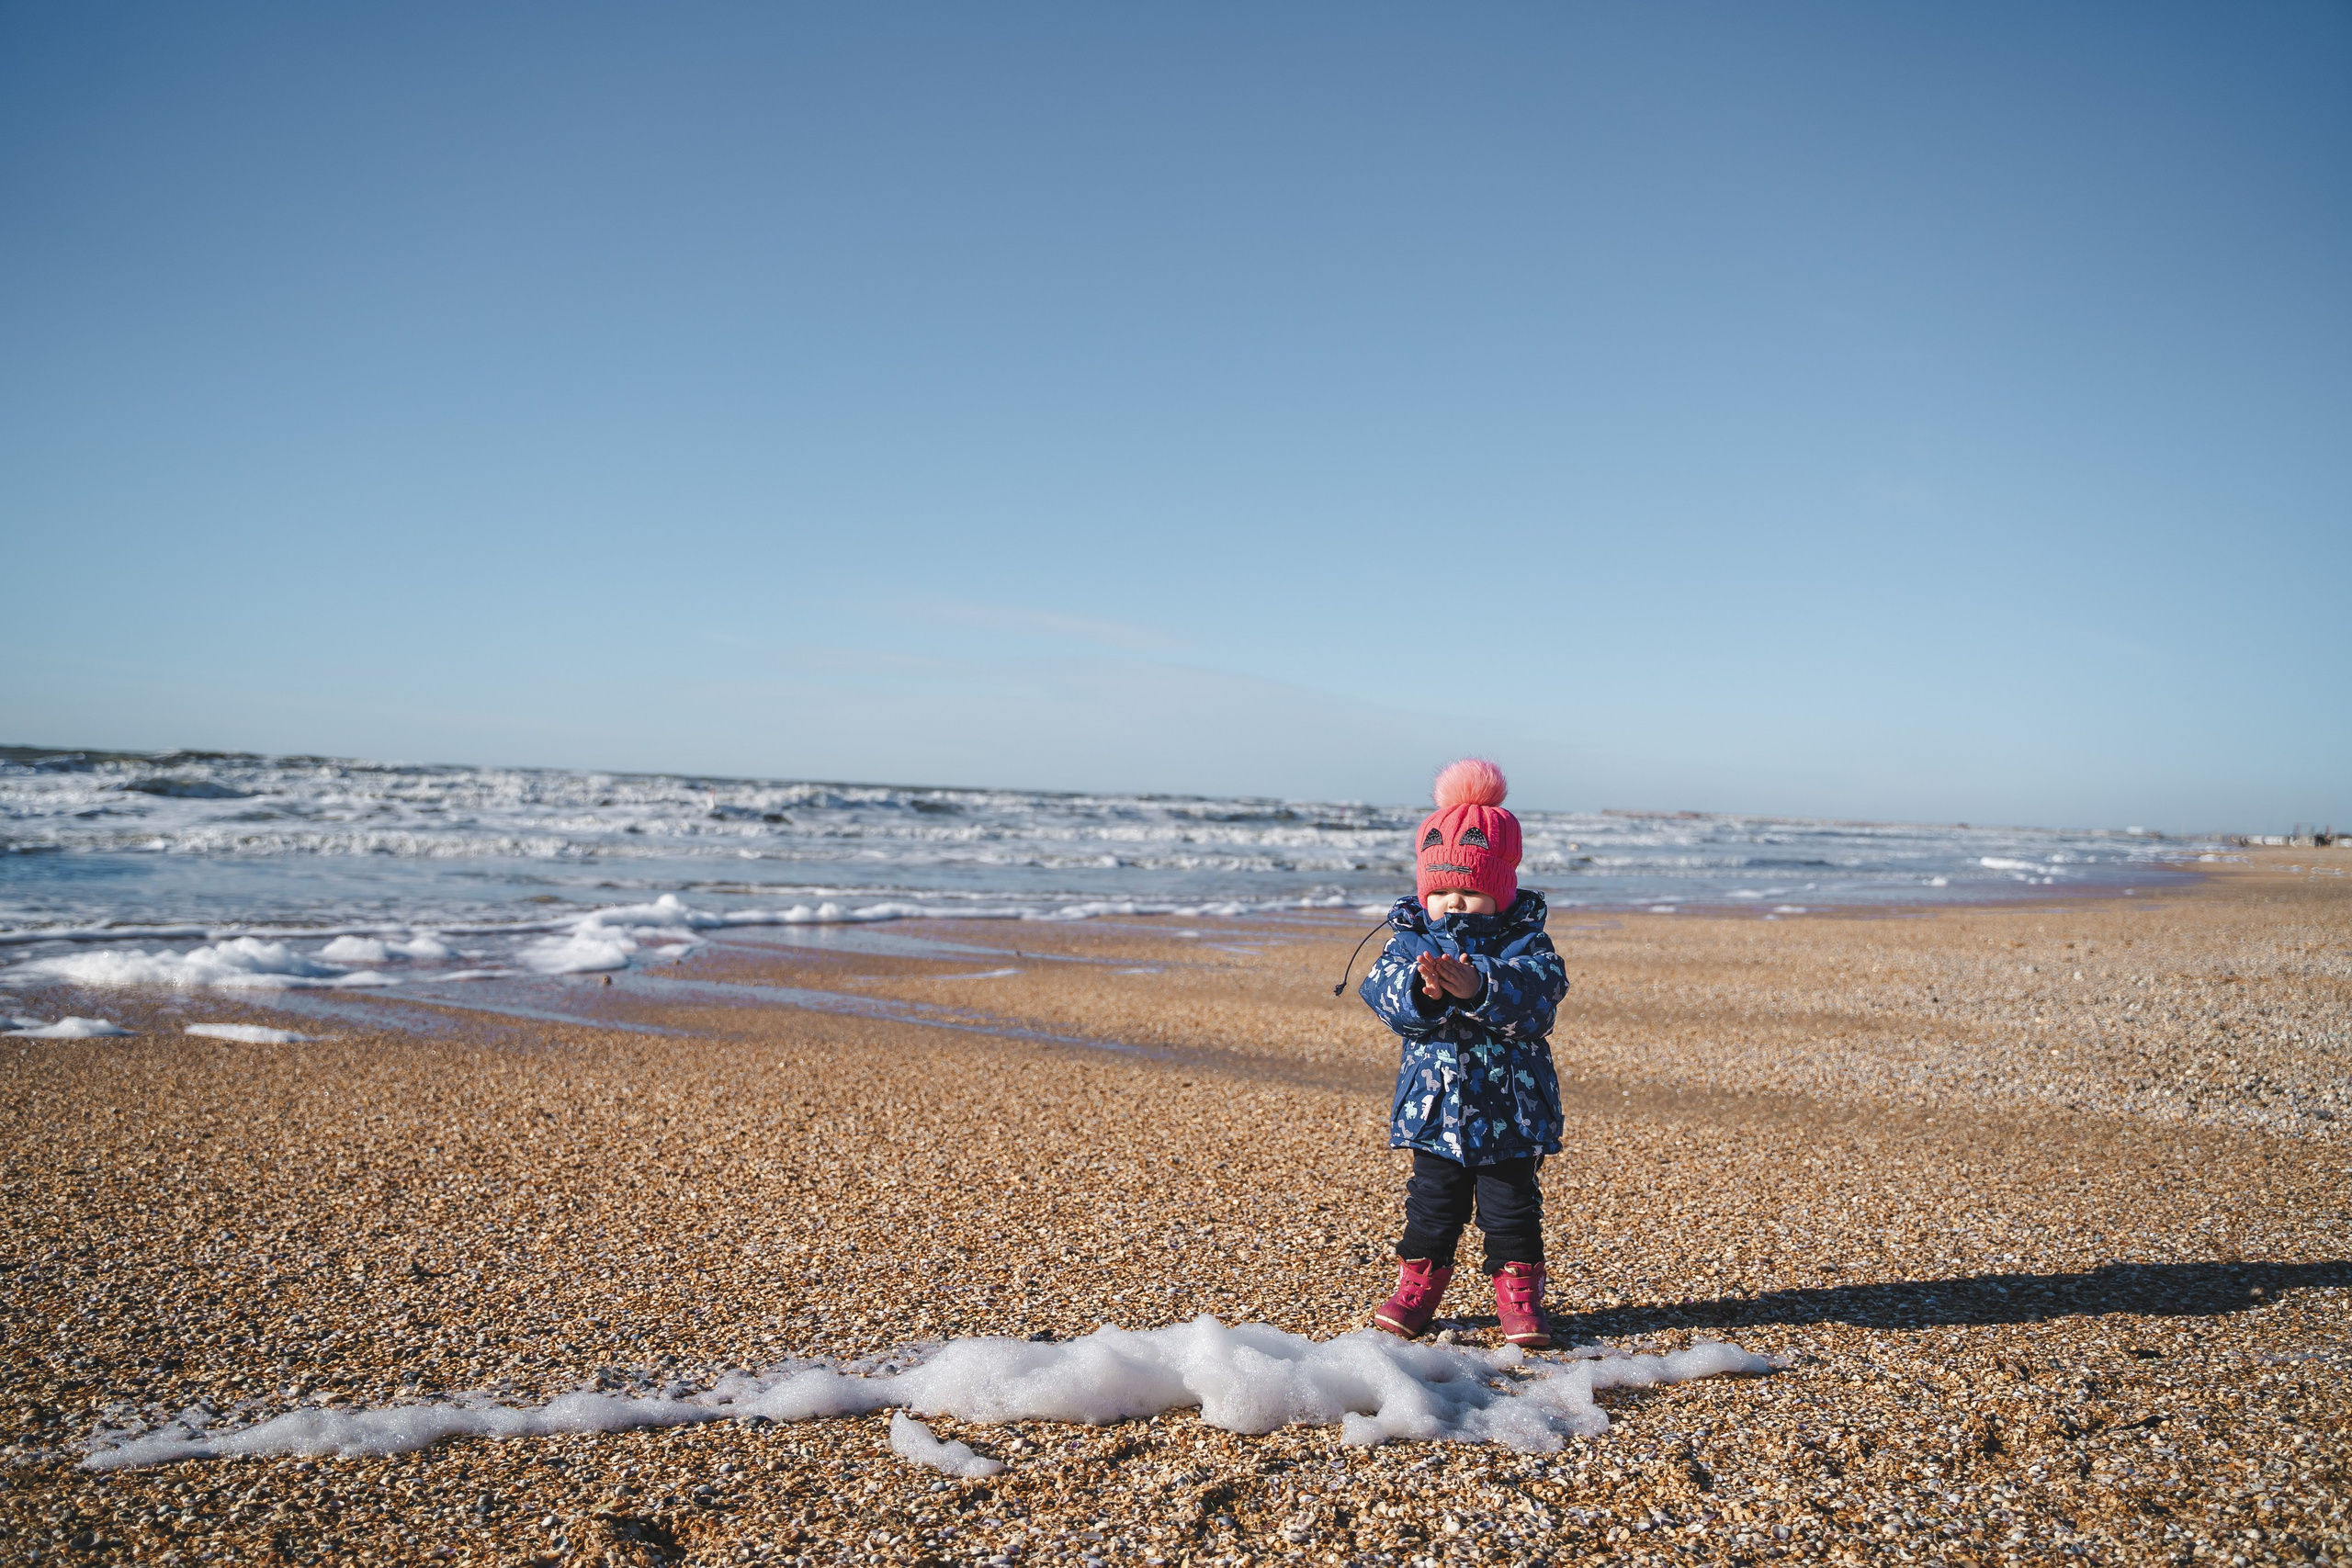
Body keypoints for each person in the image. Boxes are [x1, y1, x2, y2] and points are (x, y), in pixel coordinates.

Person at [1358, 759, 1568, 1347]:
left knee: (1512, 1208)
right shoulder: (1410, 940)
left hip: (1511, 1107)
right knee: (1431, 1205)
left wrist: (1480, 986)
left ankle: (1518, 1294)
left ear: (1499, 891)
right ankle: (1417, 1283)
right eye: (1442, 890)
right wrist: (1421, 995)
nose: (1453, 902)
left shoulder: (1527, 940)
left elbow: (1542, 996)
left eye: (1470, 891)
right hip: (1435, 1106)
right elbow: (1380, 993)